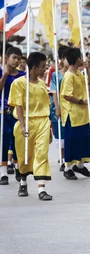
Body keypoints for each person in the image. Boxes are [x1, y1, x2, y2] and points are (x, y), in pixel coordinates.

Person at [8, 52, 53, 200]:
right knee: (24, 155)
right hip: (25, 122)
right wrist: (22, 125)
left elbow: (46, 106)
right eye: (42, 67)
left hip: (42, 122)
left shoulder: (42, 85)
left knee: (42, 153)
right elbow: (19, 105)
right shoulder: (19, 83)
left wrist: (50, 128)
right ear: (34, 68)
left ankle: (41, 188)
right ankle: (23, 182)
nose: (45, 70)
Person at [60, 47, 90, 180]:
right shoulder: (69, 76)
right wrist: (82, 101)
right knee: (72, 142)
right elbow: (66, 96)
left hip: (84, 115)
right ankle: (68, 167)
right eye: (80, 57)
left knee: (85, 140)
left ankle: (79, 166)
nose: (82, 59)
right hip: (73, 115)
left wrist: (87, 69)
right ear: (76, 59)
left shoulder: (79, 73)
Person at [0, 47, 26, 185]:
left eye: (19, 58)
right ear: (6, 58)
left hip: (18, 114)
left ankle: (18, 167)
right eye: (14, 57)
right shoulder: (0, 72)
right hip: (3, 113)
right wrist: (4, 75)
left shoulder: (23, 75)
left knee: (18, 142)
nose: (16, 61)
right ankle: (3, 172)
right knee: (3, 143)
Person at [49, 46, 69, 172]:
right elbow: (54, 92)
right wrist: (57, 108)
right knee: (61, 135)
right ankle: (63, 159)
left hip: (72, 109)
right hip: (59, 108)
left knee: (69, 135)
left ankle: (70, 159)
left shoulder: (76, 74)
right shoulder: (56, 74)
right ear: (62, 59)